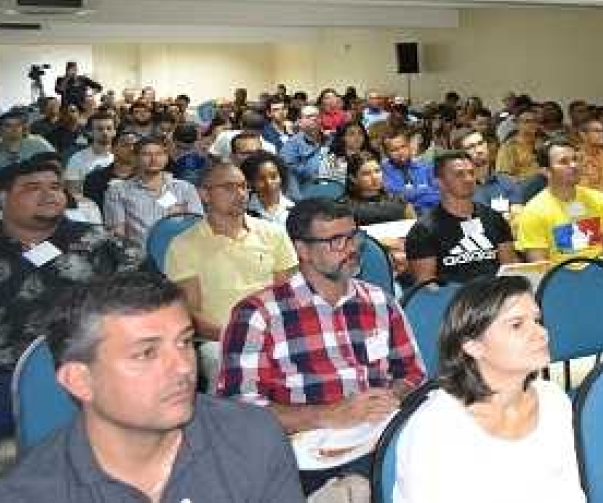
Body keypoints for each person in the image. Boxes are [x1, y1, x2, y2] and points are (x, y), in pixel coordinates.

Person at [0, 271, 304, 501]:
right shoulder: (26, 493)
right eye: (146, 353)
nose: (183, 368)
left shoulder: (253, 435)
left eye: (184, 342)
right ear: (80, 381)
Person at [218, 198, 426, 494]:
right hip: (308, 454)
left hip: (381, 434)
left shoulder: (379, 302)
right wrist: (325, 415)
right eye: (336, 241)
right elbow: (238, 410)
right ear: (303, 250)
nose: (351, 248)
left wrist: (389, 395)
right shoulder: (259, 314)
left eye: (353, 236)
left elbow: (412, 372)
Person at [0, 157, 146, 481]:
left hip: (91, 366)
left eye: (56, 187)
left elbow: (146, 298)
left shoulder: (100, 242)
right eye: (33, 188)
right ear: (3, 197)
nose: (49, 195)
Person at [393, 276, 584, 502]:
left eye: (537, 320)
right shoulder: (436, 429)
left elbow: (570, 494)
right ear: (473, 345)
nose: (542, 333)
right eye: (517, 325)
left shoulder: (553, 400)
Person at [165, 162, 297, 384]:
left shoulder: (274, 234)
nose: (240, 194)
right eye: (228, 187)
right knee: (220, 360)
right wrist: (239, 336)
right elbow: (191, 315)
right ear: (205, 194)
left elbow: (288, 298)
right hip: (219, 339)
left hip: (276, 332)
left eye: (243, 187)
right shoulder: (184, 245)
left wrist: (272, 335)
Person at [513, 137, 603, 343]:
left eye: (575, 159)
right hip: (561, 285)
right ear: (545, 171)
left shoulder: (597, 199)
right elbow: (540, 266)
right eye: (563, 161)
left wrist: (598, 267)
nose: (573, 165)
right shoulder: (534, 210)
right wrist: (578, 278)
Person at [405, 151, 519, 285]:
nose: (469, 179)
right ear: (439, 182)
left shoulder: (494, 219)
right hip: (452, 302)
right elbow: (427, 288)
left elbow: (510, 271)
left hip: (495, 298)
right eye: (459, 174)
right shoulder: (423, 231)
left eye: (471, 173)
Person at [103, 134, 203, 248]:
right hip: (138, 259)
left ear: (166, 158)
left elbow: (197, 227)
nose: (154, 159)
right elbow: (117, 234)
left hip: (178, 255)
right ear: (135, 158)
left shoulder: (185, 189)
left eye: (159, 154)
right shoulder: (118, 191)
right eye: (146, 154)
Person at [0, 109, 55, 196]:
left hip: (40, 192)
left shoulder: (39, 143)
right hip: (4, 196)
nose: (14, 129)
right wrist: (14, 197)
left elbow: (56, 168)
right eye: (8, 126)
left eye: (18, 125)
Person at [454, 129, 520, 218]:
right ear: (459, 154)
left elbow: (518, 214)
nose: (479, 150)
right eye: (471, 147)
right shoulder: (456, 191)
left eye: (481, 143)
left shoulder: (507, 181)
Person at [340, 152, 412, 226]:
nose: (375, 177)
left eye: (377, 171)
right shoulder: (346, 207)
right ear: (353, 178)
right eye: (366, 173)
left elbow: (414, 228)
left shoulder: (399, 199)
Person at [381, 130, 441, 214]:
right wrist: (426, 190)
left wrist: (412, 196)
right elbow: (398, 199)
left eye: (403, 147)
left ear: (409, 146)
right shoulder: (384, 171)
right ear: (386, 153)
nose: (400, 152)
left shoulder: (426, 167)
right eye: (394, 150)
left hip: (435, 215)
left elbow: (440, 194)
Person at [63, 111, 116, 197]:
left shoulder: (120, 158)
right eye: (100, 129)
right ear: (90, 133)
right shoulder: (77, 159)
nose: (105, 132)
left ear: (114, 132)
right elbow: (72, 192)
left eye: (109, 128)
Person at [242, 151, 294, 226]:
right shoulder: (243, 209)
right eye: (261, 178)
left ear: (281, 178)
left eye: (273, 177)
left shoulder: (295, 208)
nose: (268, 183)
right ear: (250, 182)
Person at [280, 105, 326, 188]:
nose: (314, 119)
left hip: (332, 185)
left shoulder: (329, 140)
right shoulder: (291, 145)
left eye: (317, 116)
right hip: (305, 188)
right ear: (300, 122)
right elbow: (288, 171)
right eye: (309, 117)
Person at [495, 108, 542, 179]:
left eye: (535, 121)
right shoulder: (508, 147)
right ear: (518, 124)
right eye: (527, 121)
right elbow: (503, 177)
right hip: (522, 186)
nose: (532, 124)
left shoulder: (542, 143)